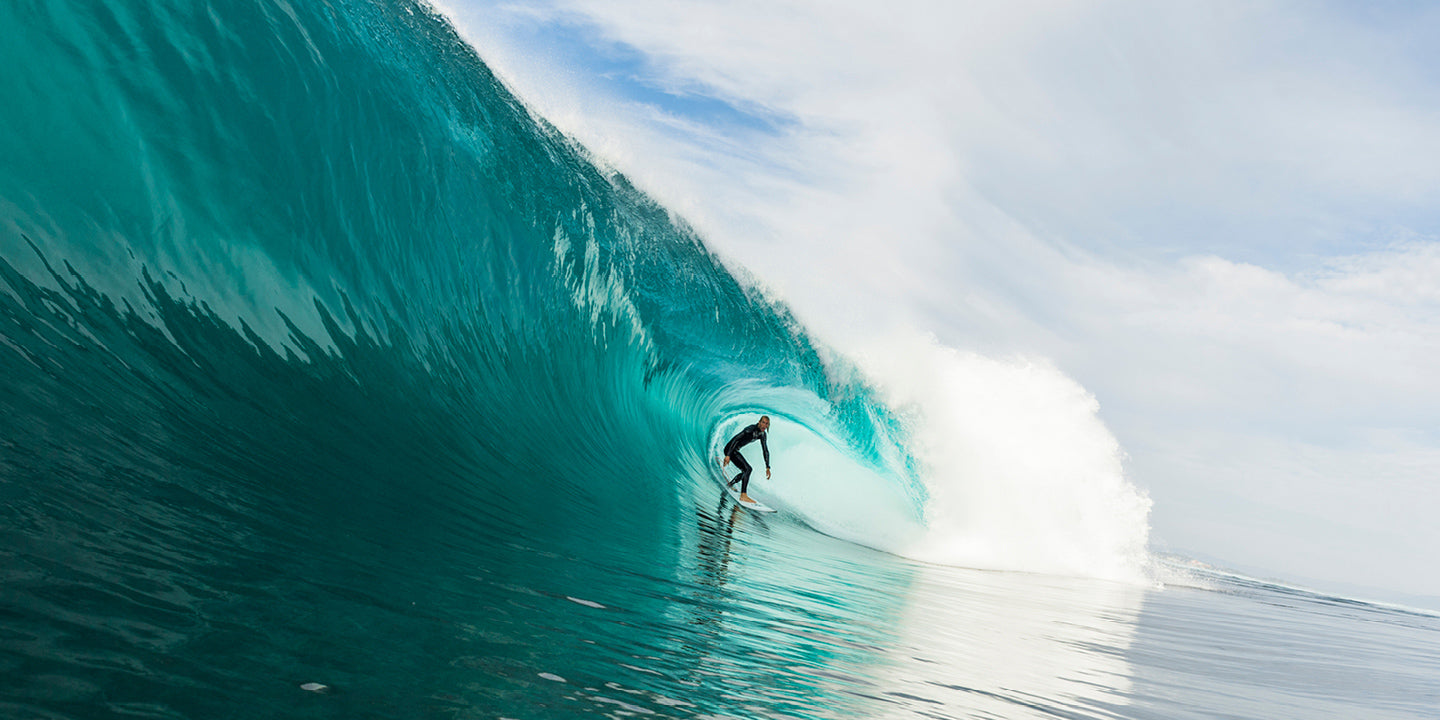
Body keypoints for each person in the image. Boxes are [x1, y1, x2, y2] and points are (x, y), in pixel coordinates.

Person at [721, 415, 771, 505]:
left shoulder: (762, 434)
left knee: (745, 470)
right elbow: (736, 439)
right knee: (748, 469)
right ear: (759, 422)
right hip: (730, 449)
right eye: (763, 422)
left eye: (767, 424)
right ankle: (743, 495)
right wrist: (728, 455)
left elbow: (765, 450)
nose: (764, 425)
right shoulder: (750, 429)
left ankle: (730, 485)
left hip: (735, 451)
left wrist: (767, 467)